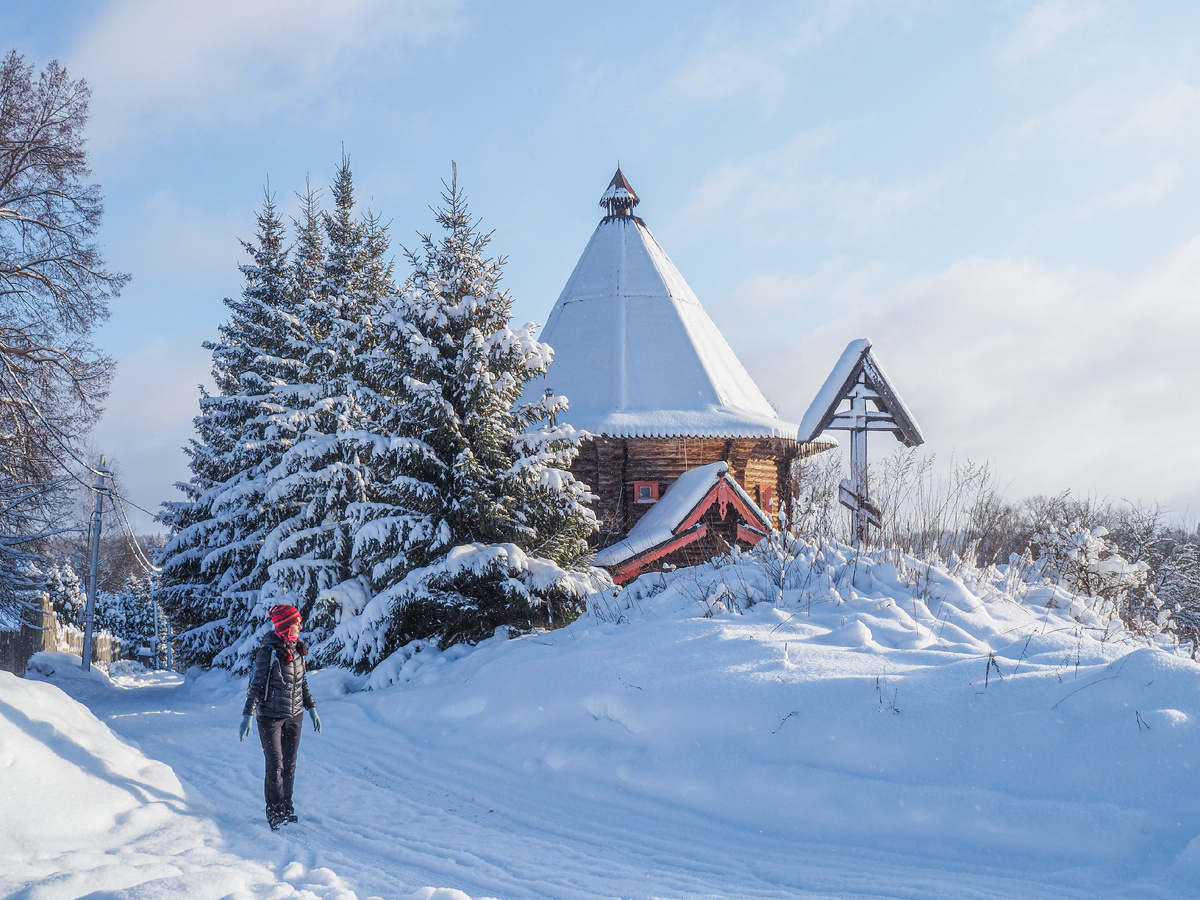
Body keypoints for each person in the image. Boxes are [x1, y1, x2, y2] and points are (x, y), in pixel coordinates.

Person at [239, 603, 322, 830]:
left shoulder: (297, 650)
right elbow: (256, 686)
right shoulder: (268, 652)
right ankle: (274, 812)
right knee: (275, 765)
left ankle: (287, 807)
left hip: (294, 716)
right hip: (270, 717)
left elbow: (302, 683)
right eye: (296, 623)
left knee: (289, 765)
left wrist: (311, 708)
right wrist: (247, 714)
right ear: (286, 626)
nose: (300, 626)